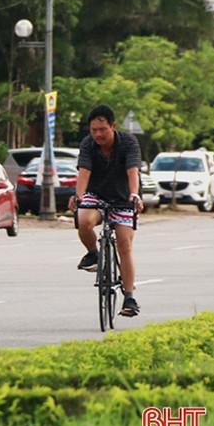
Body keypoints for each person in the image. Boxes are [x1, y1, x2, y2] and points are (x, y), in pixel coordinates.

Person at [68, 104, 144, 317]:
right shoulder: (87, 144)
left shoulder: (128, 142)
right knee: (83, 221)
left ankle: (129, 297)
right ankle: (93, 254)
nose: (98, 134)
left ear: (113, 126)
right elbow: (84, 172)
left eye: (102, 129)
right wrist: (79, 196)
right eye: (94, 130)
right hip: (96, 194)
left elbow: (133, 171)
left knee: (124, 244)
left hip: (124, 196)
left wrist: (134, 195)